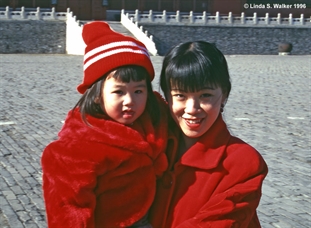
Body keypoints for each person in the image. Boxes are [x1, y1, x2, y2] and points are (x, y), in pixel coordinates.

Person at [41, 21, 168, 228]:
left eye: (138, 91)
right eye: (119, 92)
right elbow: (70, 212)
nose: (130, 100)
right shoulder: (78, 149)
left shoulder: (152, 120)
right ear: (97, 95)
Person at [149, 41, 268, 227]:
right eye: (180, 95)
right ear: (166, 95)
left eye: (205, 95)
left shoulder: (243, 163)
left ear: (225, 95)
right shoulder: (149, 145)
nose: (192, 109)